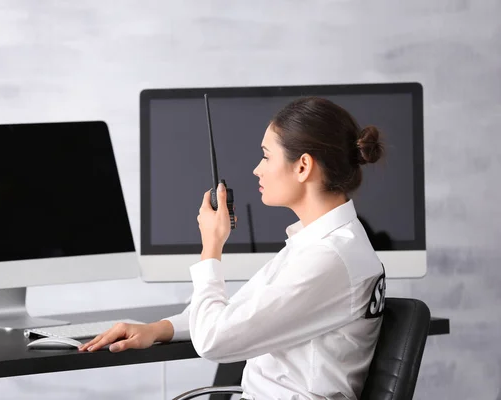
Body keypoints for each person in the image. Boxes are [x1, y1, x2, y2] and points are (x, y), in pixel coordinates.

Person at [79, 97, 386, 400]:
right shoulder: (322, 244)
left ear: (303, 166)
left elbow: (215, 340)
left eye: (266, 156)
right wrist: (159, 329)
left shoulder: (328, 258)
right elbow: (236, 315)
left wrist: (211, 245)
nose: (257, 169)